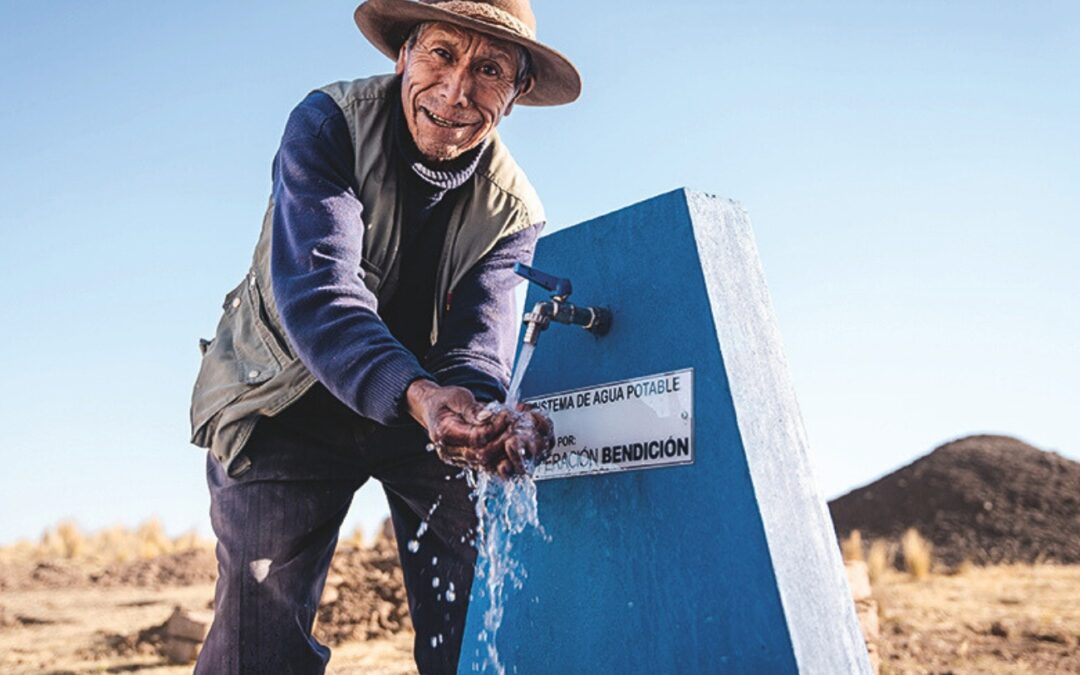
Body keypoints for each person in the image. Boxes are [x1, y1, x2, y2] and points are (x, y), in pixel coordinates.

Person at [187, 0, 580, 672]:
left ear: (513, 96)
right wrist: (423, 394)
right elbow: (321, 296)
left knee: (480, 614)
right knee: (258, 640)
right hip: (286, 400)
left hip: (426, 419)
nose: (456, 90)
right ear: (403, 55)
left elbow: (478, 348)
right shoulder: (327, 124)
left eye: (489, 70)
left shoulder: (515, 210)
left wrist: (477, 413)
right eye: (441, 54)